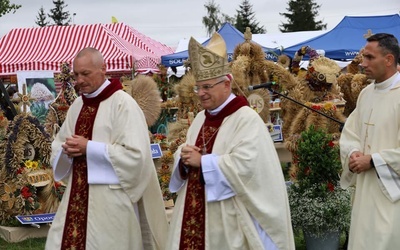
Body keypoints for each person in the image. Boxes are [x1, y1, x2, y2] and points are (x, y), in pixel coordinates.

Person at [166, 33, 295, 250]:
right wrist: (183, 157)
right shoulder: (200, 118)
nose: (201, 93)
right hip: (192, 211)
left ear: (226, 84)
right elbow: (188, 150)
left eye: (207, 87)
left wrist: (204, 162)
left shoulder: (246, 119)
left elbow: (248, 167)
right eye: (199, 87)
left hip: (228, 220)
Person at [45, 47, 168, 250]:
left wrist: (89, 148)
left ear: (104, 69)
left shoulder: (123, 104)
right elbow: (58, 144)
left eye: (85, 74)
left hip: (111, 205)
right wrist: (66, 150)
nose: (80, 80)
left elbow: (136, 157)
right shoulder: (77, 106)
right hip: (75, 200)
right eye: (76, 75)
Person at [339, 33, 400, 249]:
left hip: (393, 195)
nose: (363, 64)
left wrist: (373, 160)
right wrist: (354, 151)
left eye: (369, 58)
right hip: (365, 191)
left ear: (389, 59)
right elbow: (350, 133)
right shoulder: (366, 94)